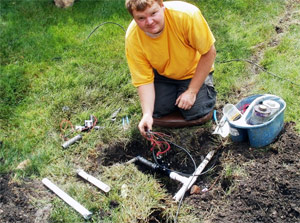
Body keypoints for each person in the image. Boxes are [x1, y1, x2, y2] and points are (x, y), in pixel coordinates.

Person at [125, 0, 217, 137]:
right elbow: (143, 80)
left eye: (153, 13)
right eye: (141, 18)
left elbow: (209, 53)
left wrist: (192, 91)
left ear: (162, 6)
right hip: (164, 75)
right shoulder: (133, 37)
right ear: (134, 18)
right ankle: (175, 94)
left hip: (193, 70)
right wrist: (147, 114)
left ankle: (199, 87)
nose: (149, 22)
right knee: (155, 112)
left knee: (197, 112)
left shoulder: (187, 16)